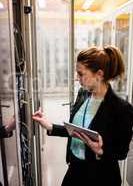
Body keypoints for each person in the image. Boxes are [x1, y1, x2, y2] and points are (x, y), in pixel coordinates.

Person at [32, 46, 133, 186]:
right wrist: (49, 126)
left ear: (99, 74)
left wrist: (101, 150)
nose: (76, 78)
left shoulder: (122, 109)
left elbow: (122, 152)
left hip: (100, 176)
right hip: (74, 169)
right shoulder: (83, 94)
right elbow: (78, 131)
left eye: (81, 74)